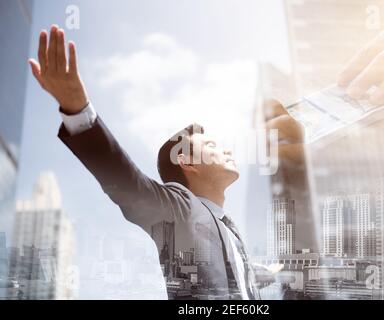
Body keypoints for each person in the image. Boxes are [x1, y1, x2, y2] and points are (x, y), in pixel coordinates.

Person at [28, 25, 304, 300]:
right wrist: (78, 110)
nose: (227, 151)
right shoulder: (179, 209)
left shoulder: (230, 232)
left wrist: (273, 270)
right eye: (210, 146)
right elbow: (128, 183)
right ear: (186, 162)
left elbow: (242, 272)